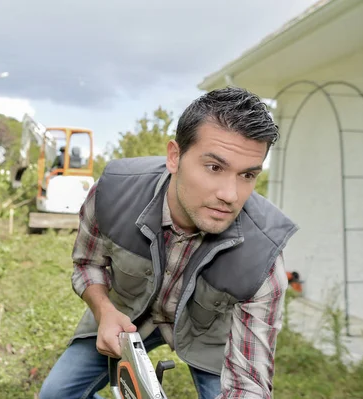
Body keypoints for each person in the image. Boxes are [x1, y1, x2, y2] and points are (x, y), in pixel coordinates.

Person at [38, 87, 299, 399]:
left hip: (208, 337)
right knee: (55, 395)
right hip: (127, 319)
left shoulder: (263, 257)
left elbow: (249, 385)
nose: (230, 195)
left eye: (247, 175)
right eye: (214, 167)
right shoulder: (112, 193)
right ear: (175, 156)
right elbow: (88, 264)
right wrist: (104, 310)